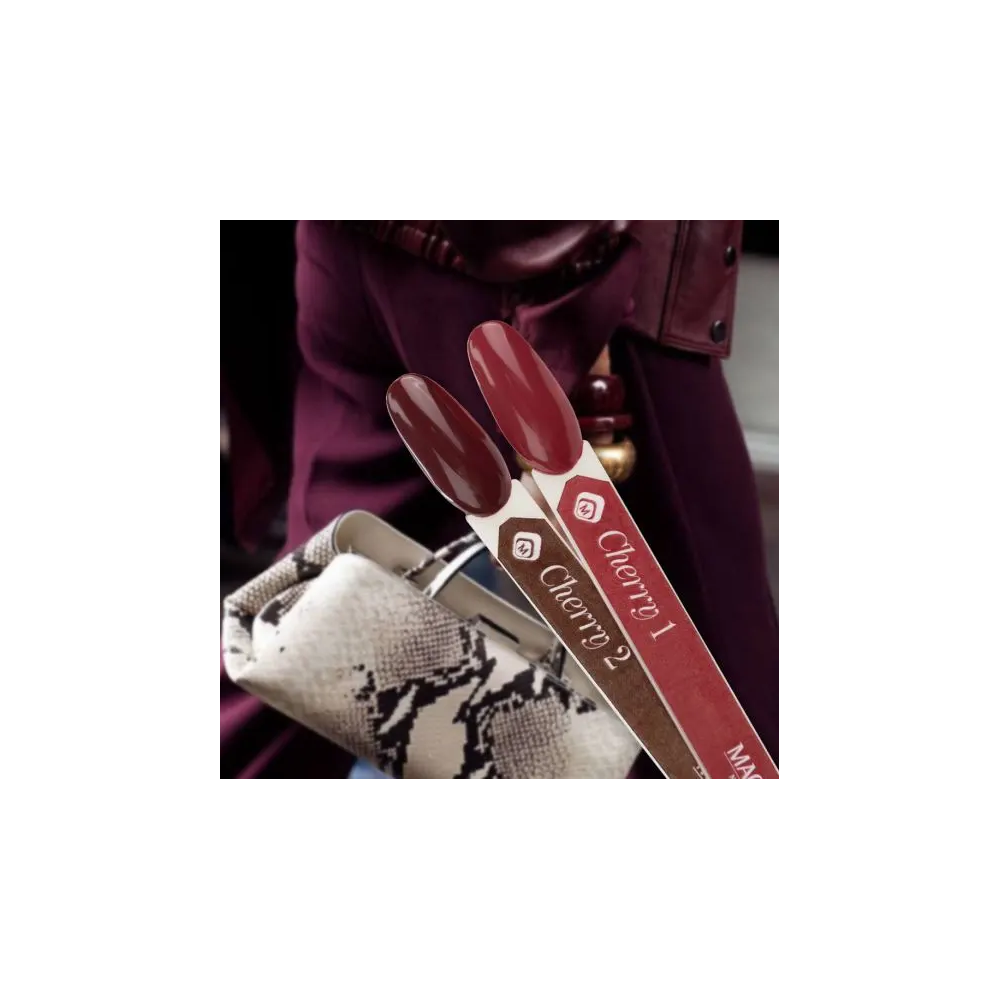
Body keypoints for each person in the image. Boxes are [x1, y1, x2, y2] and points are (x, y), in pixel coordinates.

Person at [220, 221, 778, 778]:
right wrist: (564, 354)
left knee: (314, 626)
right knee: (724, 725)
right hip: (566, 283)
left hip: (365, 247)